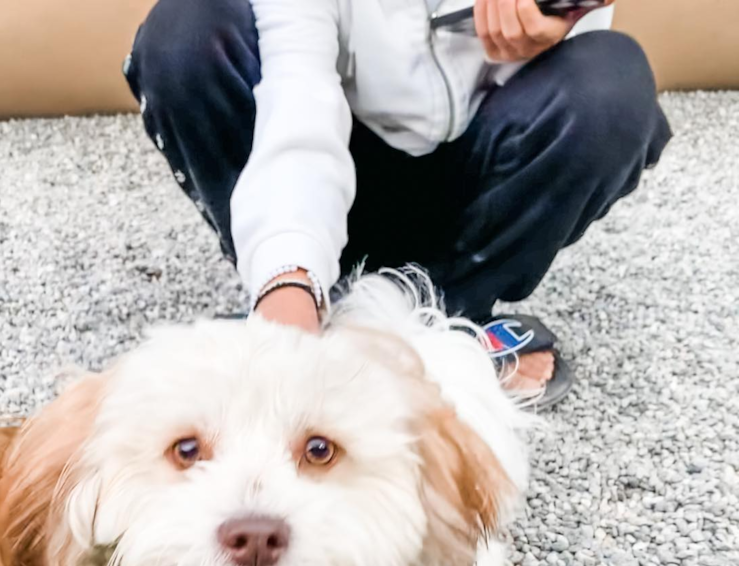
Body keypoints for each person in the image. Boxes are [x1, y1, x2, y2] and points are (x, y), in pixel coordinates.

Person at [124, 0, 671, 404]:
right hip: (337, 181)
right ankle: (308, 307)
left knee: (609, 85)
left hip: (477, 192)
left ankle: (450, 316)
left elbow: (577, 91)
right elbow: (298, 104)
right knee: (184, 35)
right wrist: (289, 280)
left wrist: (556, 23)